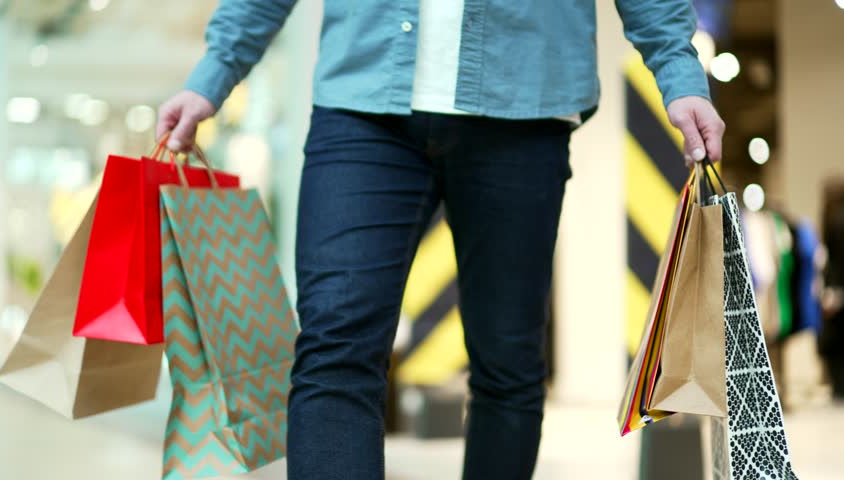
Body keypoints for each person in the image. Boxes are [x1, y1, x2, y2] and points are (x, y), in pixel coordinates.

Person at [156, 1, 725, 478]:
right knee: (335, 347)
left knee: (507, 364)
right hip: (363, 99)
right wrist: (214, 73)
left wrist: (678, 72)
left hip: (524, 102)